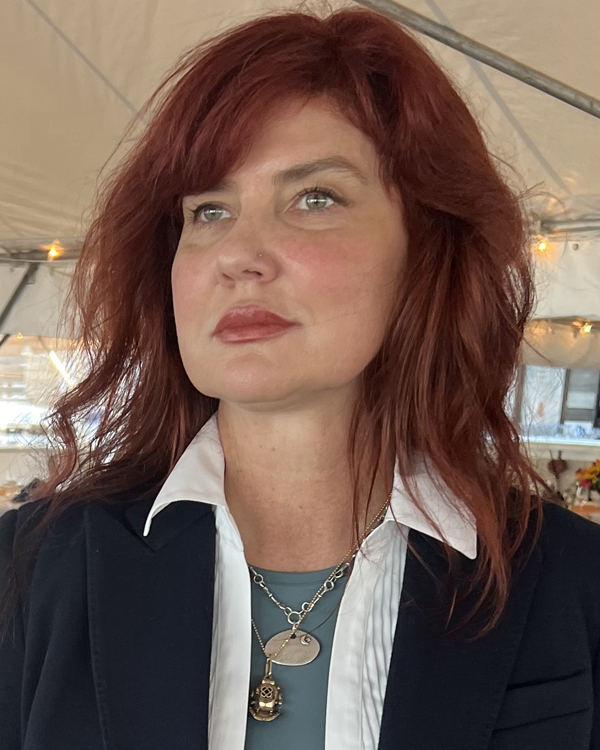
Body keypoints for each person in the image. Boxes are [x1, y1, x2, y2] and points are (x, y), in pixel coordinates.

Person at [1, 6, 600, 750]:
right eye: (208, 210)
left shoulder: (573, 581)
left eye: (315, 198)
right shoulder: (30, 571)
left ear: (426, 251)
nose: (238, 254)